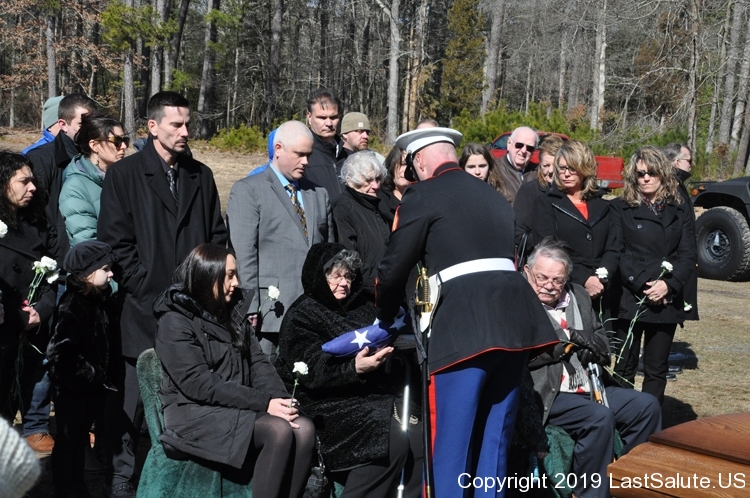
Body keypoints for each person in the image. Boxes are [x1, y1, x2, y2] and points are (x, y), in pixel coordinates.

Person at [375, 127, 558, 497]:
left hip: (463, 328)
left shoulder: (421, 194)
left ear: (420, 160)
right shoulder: (492, 195)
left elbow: (393, 269)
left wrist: (385, 316)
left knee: (450, 443)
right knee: (494, 441)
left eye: (413, 167)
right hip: (513, 326)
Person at [97, 91, 228, 497]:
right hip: (142, 308)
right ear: (152, 127)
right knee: (133, 399)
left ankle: (184, 474)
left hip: (194, 310)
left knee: (188, 393)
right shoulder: (124, 175)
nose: (186, 131)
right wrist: (146, 286)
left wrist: (204, 291)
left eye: (188, 123)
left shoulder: (200, 175)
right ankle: (121, 476)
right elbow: (115, 242)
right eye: (177, 124)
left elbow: (216, 237)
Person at [154, 244, 314, 498]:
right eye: (229, 275)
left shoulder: (232, 313)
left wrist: (280, 400)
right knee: (278, 430)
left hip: (234, 406)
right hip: (192, 413)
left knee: (302, 428)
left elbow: (258, 364)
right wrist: (264, 403)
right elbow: (198, 384)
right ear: (208, 276)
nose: (237, 282)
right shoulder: (175, 320)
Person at [276, 243, 422, 498]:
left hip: (371, 396)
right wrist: (354, 368)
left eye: (348, 276)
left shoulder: (363, 307)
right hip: (325, 405)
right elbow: (310, 370)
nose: (344, 283)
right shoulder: (301, 315)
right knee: (390, 443)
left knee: (421, 440)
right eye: (336, 276)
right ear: (319, 276)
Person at [525, 240, 661, 498]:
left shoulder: (577, 295)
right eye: (542, 277)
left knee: (646, 406)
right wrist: (570, 340)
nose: (549, 285)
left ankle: (629, 483)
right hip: (549, 392)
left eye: (557, 280)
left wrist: (597, 350)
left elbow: (600, 338)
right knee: (599, 417)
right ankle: (589, 493)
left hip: (590, 384)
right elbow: (526, 352)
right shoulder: (520, 301)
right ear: (528, 271)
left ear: (567, 277)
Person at [227, 120, 334, 359]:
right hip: (269, 314)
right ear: (278, 149)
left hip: (313, 314)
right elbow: (243, 253)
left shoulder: (318, 194)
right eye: (299, 154)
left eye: (309, 155)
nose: (306, 162)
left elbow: (328, 254)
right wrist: (249, 305)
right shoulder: (249, 190)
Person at [610, 146, 697, 405]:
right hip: (631, 295)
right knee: (624, 367)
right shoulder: (620, 207)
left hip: (665, 298)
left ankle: (650, 420)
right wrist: (643, 284)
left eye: (652, 173)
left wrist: (668, 286)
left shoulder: (678, 208)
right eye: (640, 174)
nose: (646, 178)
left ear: (663, 173)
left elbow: (687, 253)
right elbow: (617, 251)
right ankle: (621, 418)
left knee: (656, 369)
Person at [46, 240, 119, 498]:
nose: (111, 274)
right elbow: (60, 352)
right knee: (69, 442)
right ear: (87, 272)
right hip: (73, 391)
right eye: (105, 269)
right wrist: (89, 374)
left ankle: (77, 487)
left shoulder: (99, 300)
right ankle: (66, 489)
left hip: (89, 390)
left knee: (78, 441)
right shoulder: (73, 304)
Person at [0, 152, 60, 446]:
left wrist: (41, 311)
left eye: (33, 181)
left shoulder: (39, 224)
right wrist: (14, 313)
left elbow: (55, 273)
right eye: (23, 182)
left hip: (30, 327)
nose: (33, 187)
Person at [531, 140, 619, 320]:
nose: (566, 174)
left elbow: (614, 246)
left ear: (584, 168)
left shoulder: (603, 206)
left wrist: (601, 276)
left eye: (572, 168)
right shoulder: (546, 203)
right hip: (565, 289)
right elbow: (549, 247)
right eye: (562, 168)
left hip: (602, 290)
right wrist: (585, 278)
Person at [59, 115, 129, 246]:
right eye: (117, 141)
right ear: (94, 145)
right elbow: (87, 243)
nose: (124, 146)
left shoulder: (125, 177)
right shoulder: (75, 187)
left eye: (125, 140)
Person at [332, 151, 390, 295]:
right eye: (368, 180)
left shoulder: (378, 204)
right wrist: (376, 283)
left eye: (378, 179)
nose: (375, 185)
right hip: (365, 293)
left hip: (386, 289)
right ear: (350, 180)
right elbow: (348, 256)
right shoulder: (344, 207)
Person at [663, 142, 699, 322]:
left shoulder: (678, 185)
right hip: (671, 264)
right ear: (676, 162)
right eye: (689, 161)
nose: (691, 165)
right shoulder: (668, 186)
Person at [514, 135, 563, 250]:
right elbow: (519, 235)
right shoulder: (528, 191)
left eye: (556, 166)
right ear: (540, 165)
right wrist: (548, 240)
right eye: (546, 165)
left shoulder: (570, 191)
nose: (551, 171)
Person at [303, 88, 348, 203]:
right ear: (309, 116)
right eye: (322, 118)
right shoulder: (302, 156)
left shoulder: (349, 156)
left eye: (333, 117)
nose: (329, 123)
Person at [496, 126, 539, 203]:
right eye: (519, 145)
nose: (524, 151)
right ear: (509, 143)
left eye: (529, 148)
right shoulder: (494, 170)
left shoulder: (538, 173)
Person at [377, 146, 410, 225]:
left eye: (410, 165)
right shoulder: (380, 200)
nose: (405, 170)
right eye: (402, 164)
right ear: (392, 165)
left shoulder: (422, 198)